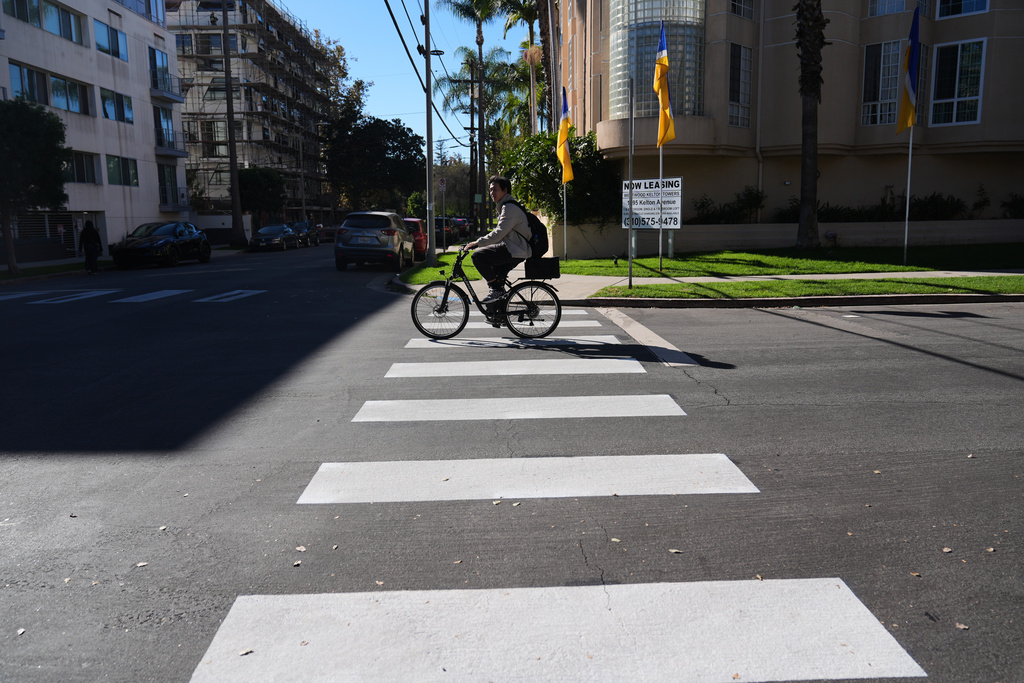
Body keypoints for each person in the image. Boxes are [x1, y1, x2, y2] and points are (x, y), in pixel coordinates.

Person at [466, 175, 532, 303]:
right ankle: (499, 314)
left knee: (478, 257)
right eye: (490, 190)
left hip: (516, 250)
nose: (492, 193)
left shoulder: (509, 208)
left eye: (495, 189)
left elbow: (499, 233)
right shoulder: (504, 206)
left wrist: (478, 243)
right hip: (515, 248)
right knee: (497, 280)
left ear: (505, 190)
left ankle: (497, 291)